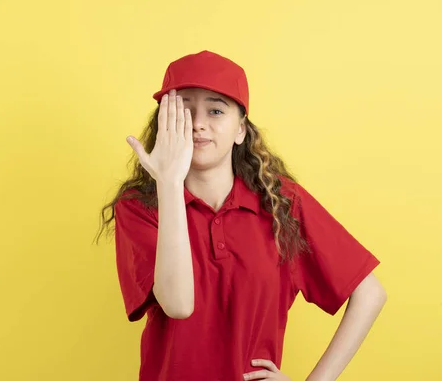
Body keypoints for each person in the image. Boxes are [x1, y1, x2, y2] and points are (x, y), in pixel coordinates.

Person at [96, 50, 387, 381]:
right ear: (163, 124)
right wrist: (169, 182)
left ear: (240, 130)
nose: (198, 123)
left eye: (216, 110)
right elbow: (178, 305)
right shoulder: (139, 208)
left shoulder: (284, 204)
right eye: (183, 111)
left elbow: (370, 293)